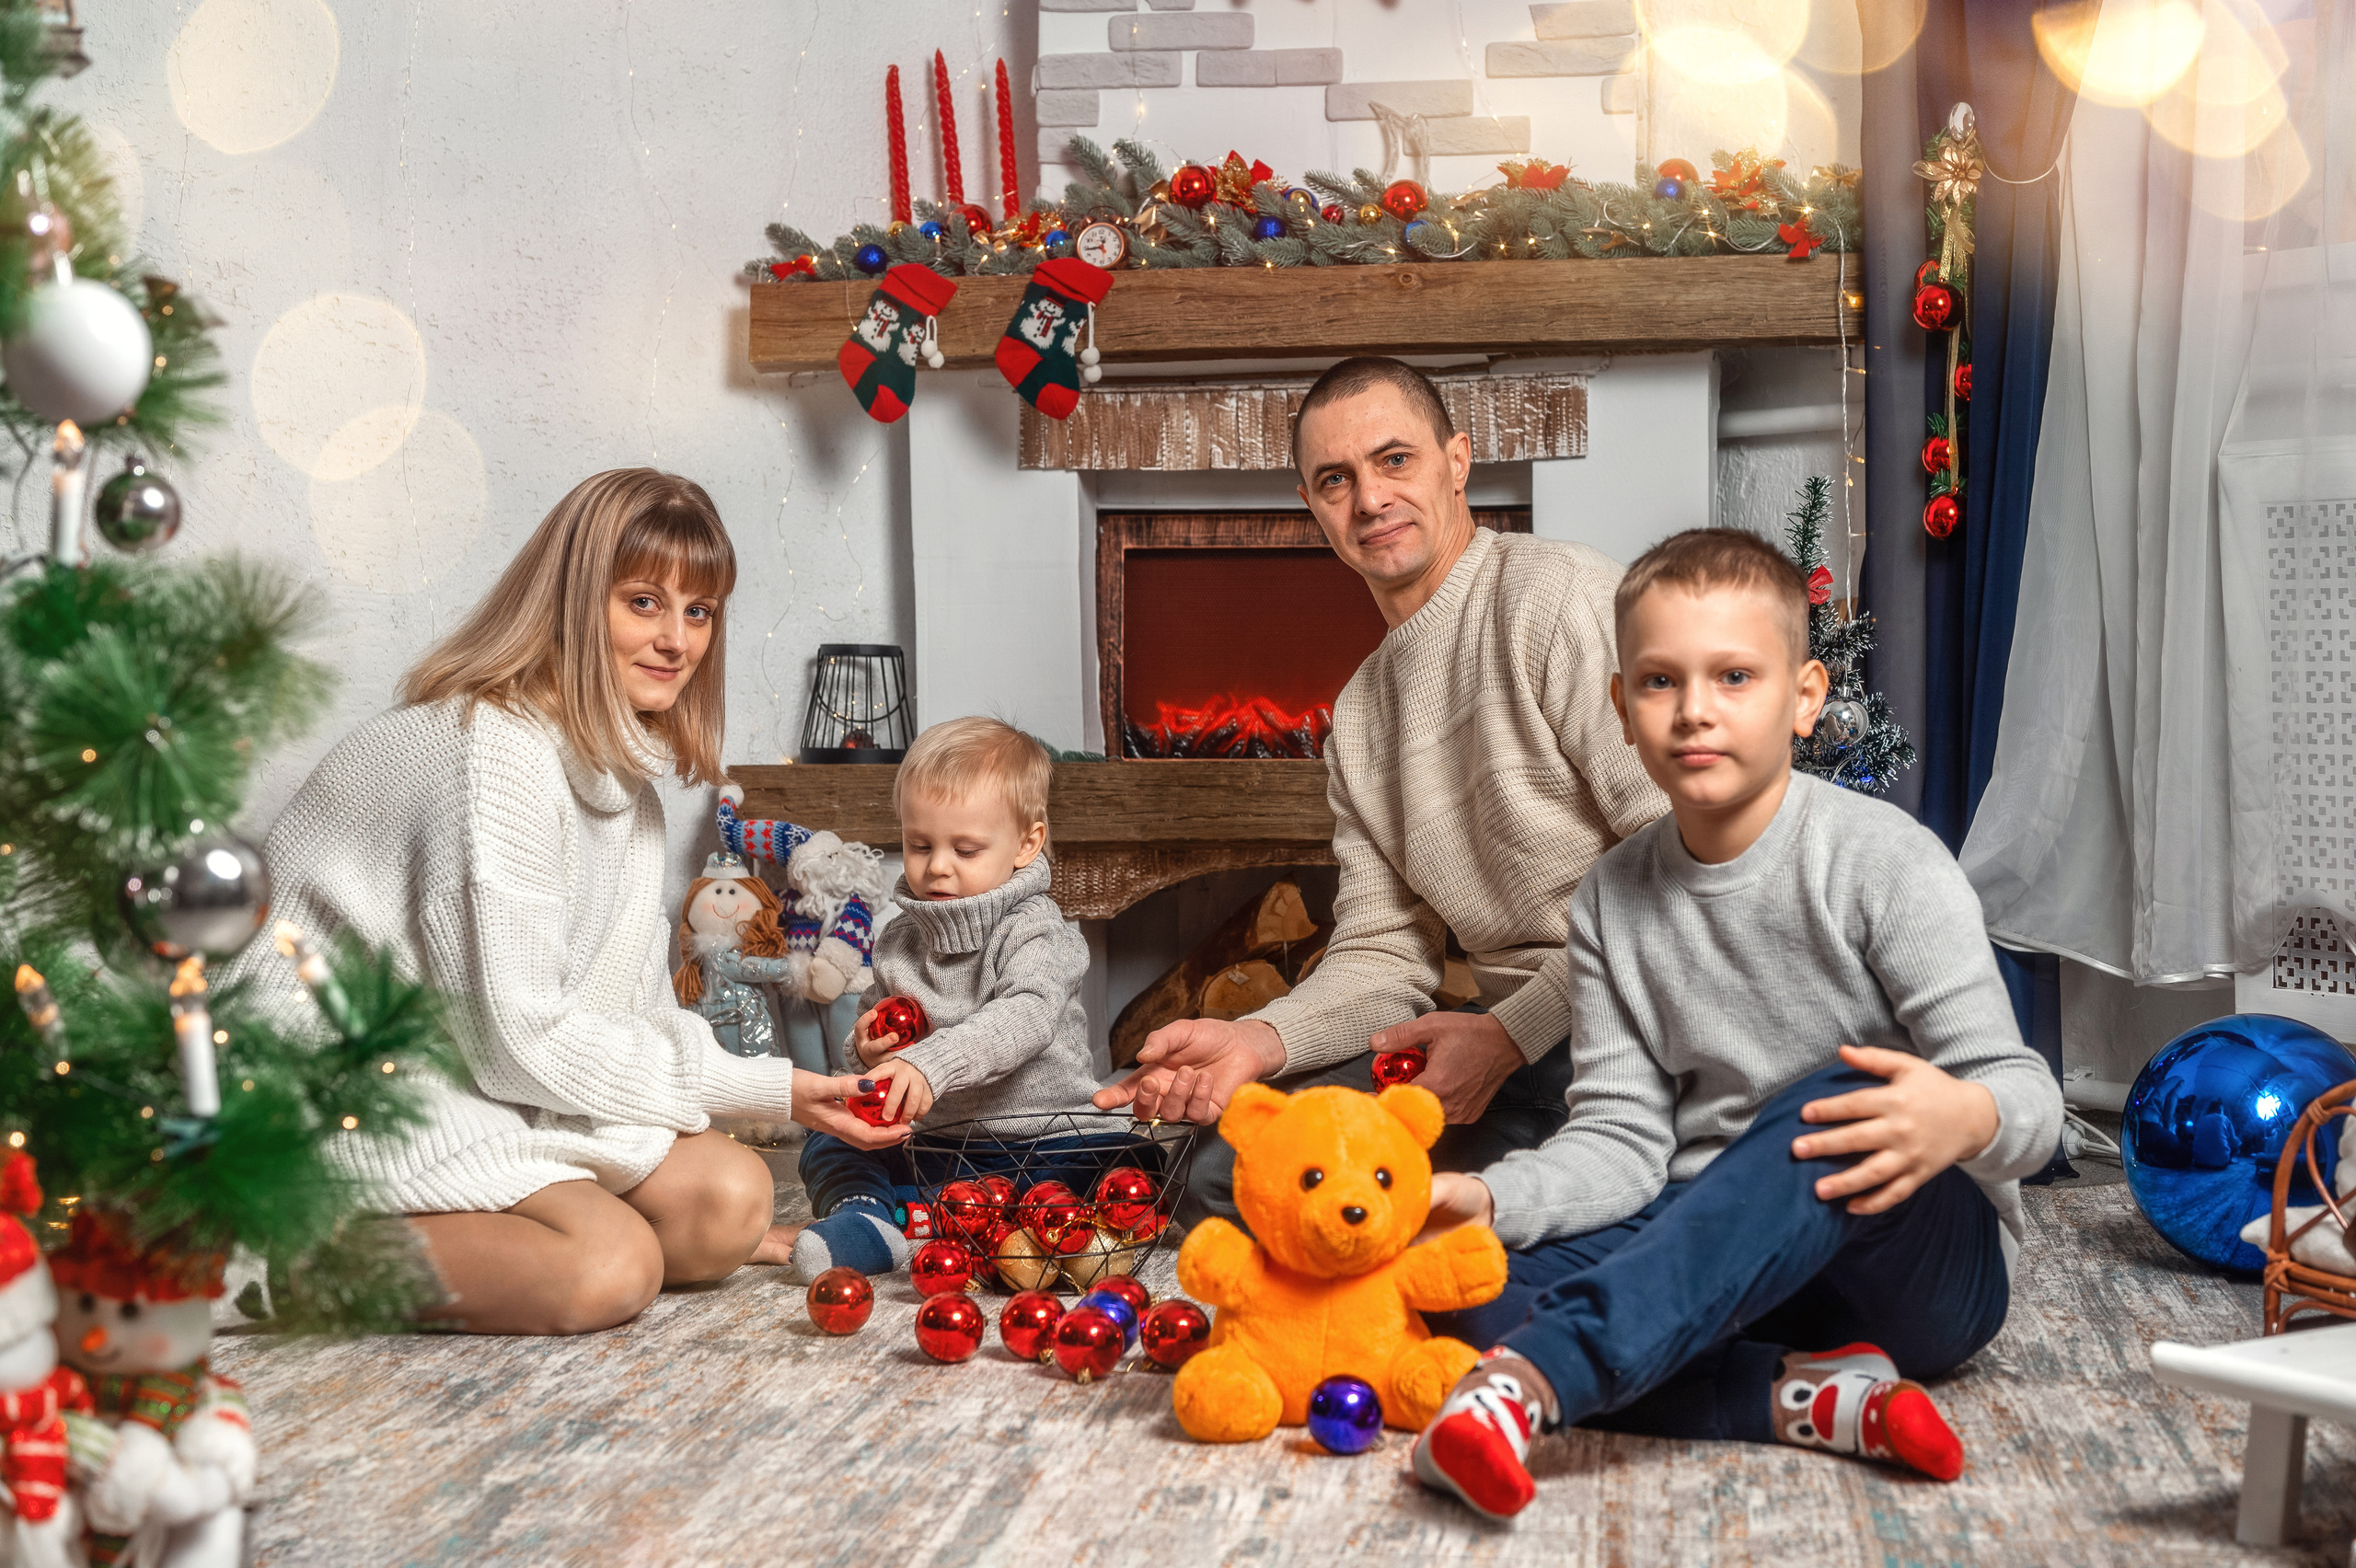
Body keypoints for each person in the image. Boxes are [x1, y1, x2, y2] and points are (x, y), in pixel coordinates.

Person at [1405, 528, 2065, 1518]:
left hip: (1913, 1265)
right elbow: (1620, 1144)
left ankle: (1529, 1386)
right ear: (1623, 708)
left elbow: (2029, 1100)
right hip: (1718, 1254)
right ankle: (1805, 1397)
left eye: (1734, 677)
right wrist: (1490, 1201)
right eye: (1662, 682)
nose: (1695, 711)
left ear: (1802, 698)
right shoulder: (1611, 898)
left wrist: (1960, 1119)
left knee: (1848, 1094)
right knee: (1451, 1283)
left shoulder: (1883, 861)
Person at [228, 468, 893, 1336]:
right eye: (644, 602)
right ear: (578, 603)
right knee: (610, 1267)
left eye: (699, 612)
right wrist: (775, 1087)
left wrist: (774, 1089)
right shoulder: (493, 755)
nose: (677, 641)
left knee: (728, 1202)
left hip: (478, 1061)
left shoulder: (629, 788)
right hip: (352, 1084)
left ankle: (497, 1238)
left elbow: (628, 1010)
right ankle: (311, 1261)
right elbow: (524, 1042)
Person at [1095, 357, 1668, 1214]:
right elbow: (1382, 953)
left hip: (1636, 1023)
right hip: (1503, 1047)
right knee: (1234, 1175)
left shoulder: (1561, 597)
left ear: (1457, 460)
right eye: (1337, 479)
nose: (1370, 500)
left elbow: (1681, 864)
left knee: (1449, 1222)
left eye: (1395, 460)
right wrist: (1258, 1038)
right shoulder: (1360, 715)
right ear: (1311, 507)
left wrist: (1511, 1036)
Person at [783, 718, 1111, 1281]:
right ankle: (868, 1222)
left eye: (965, 849)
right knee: (829, 1137)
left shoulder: (1037, 930)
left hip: (1037, 1139)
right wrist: (866, 1047)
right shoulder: (901, 940)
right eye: (919, 845)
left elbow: (1025, 1017)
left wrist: (931, 1062)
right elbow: (873, 1037)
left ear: (1026, 845)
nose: (937, 866)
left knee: (1113, 1160)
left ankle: (957, 1217)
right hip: (933, 1143)